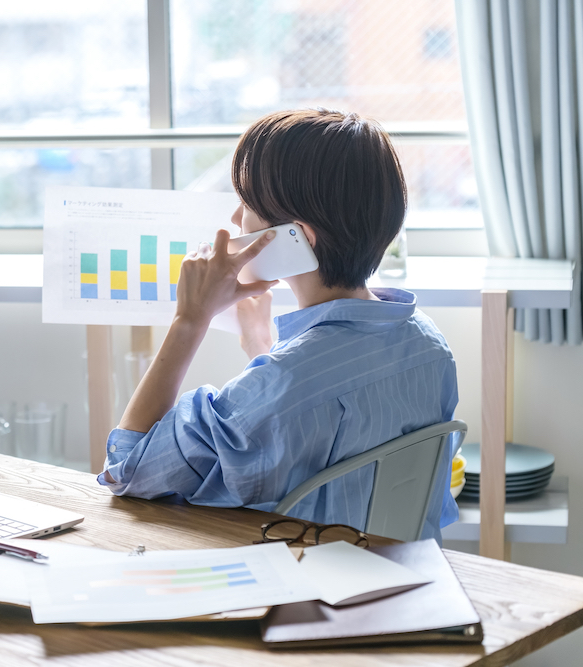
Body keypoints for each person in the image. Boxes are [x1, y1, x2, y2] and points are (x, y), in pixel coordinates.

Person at [98, 108, 459, 542]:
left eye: (248, 205)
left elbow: (127, 469)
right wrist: (260, 344)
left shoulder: (282, 383)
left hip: (296, 595)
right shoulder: (429, 346)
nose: (235, 219)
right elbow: (318, 421)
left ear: (298, 238)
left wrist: (190, 319)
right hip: (392, 582)